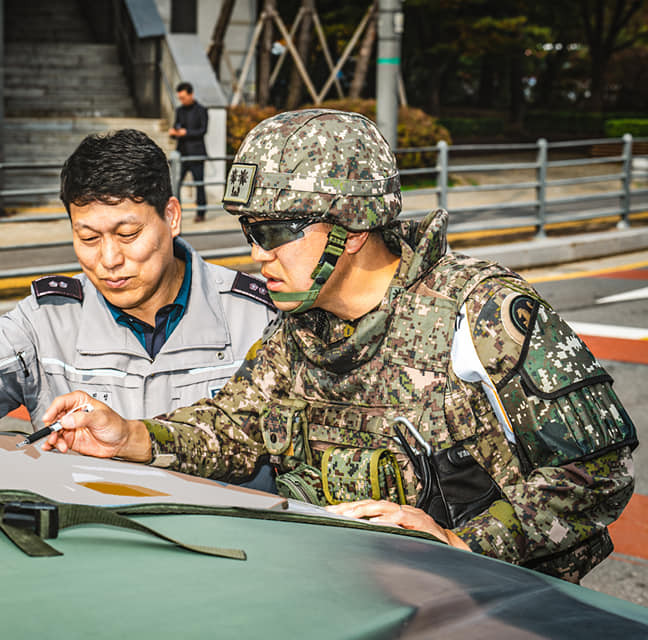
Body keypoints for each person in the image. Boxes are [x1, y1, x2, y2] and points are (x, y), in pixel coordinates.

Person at [40, 110, 638, 583]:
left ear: (349, 230)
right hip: (343, 596)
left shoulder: (481, 315)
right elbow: (233, 428)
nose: (257, 253)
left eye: (275, 232)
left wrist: (466, 544)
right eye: (251, 231)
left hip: (492, 605)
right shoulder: (300, 330)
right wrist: (132, 437)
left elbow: (598, 472)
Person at [0, 129, 277, 452]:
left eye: (128, 234)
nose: (109, 259)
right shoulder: (48, 319)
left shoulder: (257, 316)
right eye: (88, 237)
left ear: (172, 217)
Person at [168, 82, 208, 223]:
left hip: (196, 153)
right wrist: (173, 132)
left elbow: (203, 130)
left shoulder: (201, 110)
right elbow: (176, 127)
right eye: (180, 98)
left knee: (199, 184)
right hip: (182, 154)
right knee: (175, 184)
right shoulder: (179, 111)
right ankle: (173, 212)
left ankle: (201, 212)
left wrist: (186, 133)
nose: (182, 100)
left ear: (191, 94)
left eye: (184, 97)